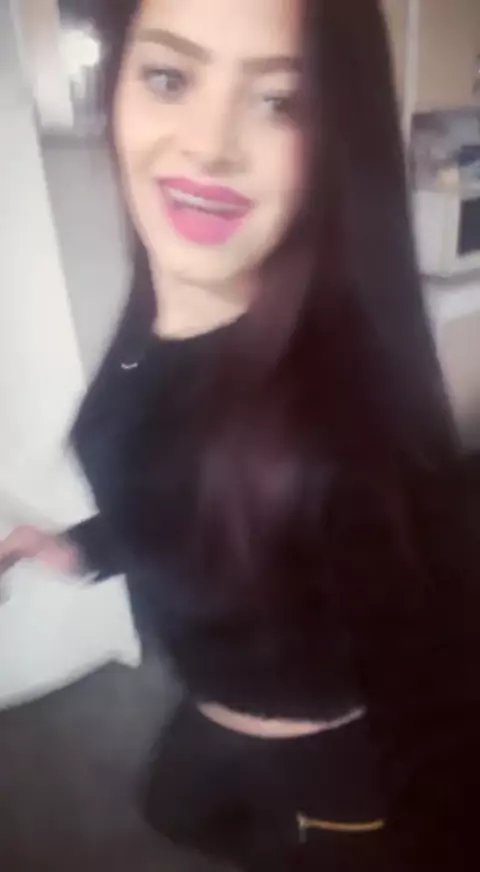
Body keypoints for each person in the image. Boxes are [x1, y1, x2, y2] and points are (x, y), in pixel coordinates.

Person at [1, 1, 479, 869]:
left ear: (334, 139)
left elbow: (439, 697)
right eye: (169, 77)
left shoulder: (347, 426)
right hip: (210, 717)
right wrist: (75, 548)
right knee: (175, 812)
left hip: (330, 782)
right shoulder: (155, 327)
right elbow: (178, 493)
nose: (210, 145)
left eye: (278, 101)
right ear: (116, 87)